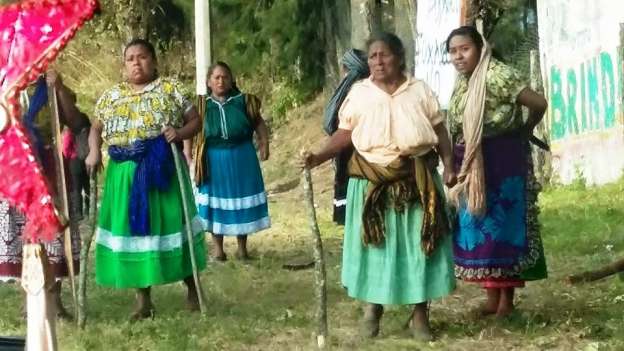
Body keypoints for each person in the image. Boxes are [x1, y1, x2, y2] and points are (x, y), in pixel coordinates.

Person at [301, 32, 456, 340]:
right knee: (375, 245)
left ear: (399, 57)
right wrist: (317, 156)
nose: (378, 61)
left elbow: (440, 132)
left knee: (420, 246)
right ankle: (373, 308)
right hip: (371, 181)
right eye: (372, 56)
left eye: (384, 55)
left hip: (417, 179)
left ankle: (420, 314)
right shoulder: (359, 93)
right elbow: (345, 135)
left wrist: (450, 165)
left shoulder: (419, 91)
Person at [85, 39, 206, 320]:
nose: (136, 63)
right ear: (124, 64)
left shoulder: (170, 89)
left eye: (142, 57)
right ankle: (143, 300)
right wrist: (93, 152)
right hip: (123, 173)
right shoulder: (111, 96)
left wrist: (179, 132)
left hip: (162, 169)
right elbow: (95, 129)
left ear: (153, 60)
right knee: (134, 232)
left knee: (173, 225)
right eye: (130, 58)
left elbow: (195, 121)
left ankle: (192, 288)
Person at [446, 26, 548, 318]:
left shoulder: (498, 74)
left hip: (503, 159)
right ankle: (491, 298)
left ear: (480, 48)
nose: (458, 56)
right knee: (480, 225)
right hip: (470, 160)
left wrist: (526, 129)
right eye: (453, 52)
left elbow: (538, 103)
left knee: (504, 226)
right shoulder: (464, 82)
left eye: (464, 49)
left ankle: (507, 302)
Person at [0, 69, 86, 319]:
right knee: (20, 232)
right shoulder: (5, 84)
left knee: (53, 232)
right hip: (14, 166)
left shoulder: (49, 83)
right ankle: (30, 296)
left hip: (49, 165)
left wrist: (58, 89)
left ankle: (55, 298)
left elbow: (77, 123)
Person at [194, 61, 270, 262]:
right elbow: (189, 130)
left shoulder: (243, 101)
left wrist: (264, 143)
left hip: (242, 157)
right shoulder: (201, 105)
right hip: (213, 158)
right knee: (215, 202)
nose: (221, 81)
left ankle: (242, 249)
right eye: (216, 77)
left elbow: (259, 124)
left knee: (240, 200)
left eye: (225, 77)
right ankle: (218, 250)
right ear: (209, 82)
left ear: (231, 80)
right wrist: (187, 153)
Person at [323, 49, 369, 225]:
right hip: (354, 145)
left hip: (350, 147)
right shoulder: (364, 87)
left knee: (350, 186)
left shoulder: (353, 89)